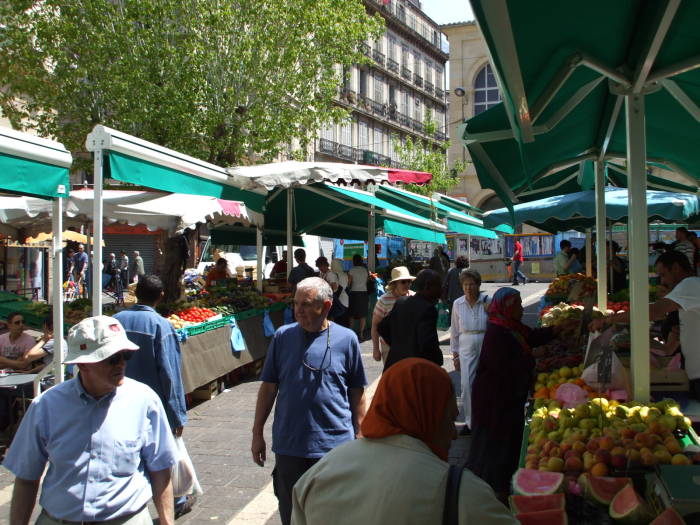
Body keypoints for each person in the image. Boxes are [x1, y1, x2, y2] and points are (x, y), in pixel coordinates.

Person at [291, 358, 517, 525]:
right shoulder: (459, 490)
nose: (454, 434)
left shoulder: (320, 474)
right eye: (449, 419)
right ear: (429, 416)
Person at [4, 315, 178, 525]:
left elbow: (160, 468)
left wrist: (167, 522)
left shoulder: (145, 400)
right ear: (84, 364)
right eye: (112, 358)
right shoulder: (46, 406)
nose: (121, 364)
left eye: (125, 356)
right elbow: (26, 477)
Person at [251, 277, 367, 525]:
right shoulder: (282, 337)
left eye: (305, 304)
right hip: (290, 445)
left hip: (334, 446)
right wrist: (257, 432)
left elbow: (356, 391)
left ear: (325, 306)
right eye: (296, 304)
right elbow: (269, 387)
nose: (298, 310)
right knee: (291, 513)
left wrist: (361, 433)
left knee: (333, 515)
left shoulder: (347, 339)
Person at [114, 275, 193, 518]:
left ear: (136, 292)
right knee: (162, 460)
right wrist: (178, 415)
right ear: (161, 296)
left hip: (117, 404)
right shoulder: (161, 326)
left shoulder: (115, 321)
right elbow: (170, 375)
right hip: (152, 409)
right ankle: (175, 503)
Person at [467, 287, 556, 500]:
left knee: (504, 443)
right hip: (495, 400)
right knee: (495, 445)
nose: (522, 308)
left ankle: (498, 485)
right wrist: (532, 357)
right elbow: (505, 366)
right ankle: (492, 490)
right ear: (507, 307)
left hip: (506, 397)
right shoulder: (498, 332)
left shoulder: (510, 326)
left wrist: (556, 331)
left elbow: (530, 336)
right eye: (517, 304)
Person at [591, 250, 700, 401]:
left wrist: (608, 320)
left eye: (663, 275)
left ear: (675, 268)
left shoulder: (690, 284)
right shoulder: (691, 287)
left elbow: (654, 311)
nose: (662, 281)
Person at [450, 269, 489, 435]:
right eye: (465, 285)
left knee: (488, 382)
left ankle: (487, 420)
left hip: (486, 343)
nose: (468, 288)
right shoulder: (457, 304)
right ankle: (470, 421)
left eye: (471, 284)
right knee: (467, 385)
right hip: (466, 345)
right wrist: (455, 354)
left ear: (478, 285)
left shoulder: (488, 301)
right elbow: (455, 332)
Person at [382, 269, 443, 371]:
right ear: (427, 286)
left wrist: (399, 347)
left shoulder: (401, 301)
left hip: (394, 367)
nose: (442, 289)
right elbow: (427, 344)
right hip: (414, 371)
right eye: (439, 285)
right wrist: (438, 360)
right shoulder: (428, 309)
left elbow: (383, 328)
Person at [370, 266, 415, 363]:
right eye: (403, 282)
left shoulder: (414, 297)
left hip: (411, 347)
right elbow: (375, 325)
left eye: (409, 281)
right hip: (389, 348)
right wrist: (376, 349)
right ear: (395, 284)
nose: (407, 284)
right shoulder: (383, 300)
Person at [315, 256, 346, 325]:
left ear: (325, 265)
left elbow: (334, 287)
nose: (320, 268)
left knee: (330, 318)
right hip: (327, 299)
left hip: (331, 299)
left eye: (320, 266)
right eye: (318, 267)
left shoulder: (331, 274)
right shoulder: (323, 274)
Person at [346, 254, 369, 338]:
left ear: (354, 261)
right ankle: (361, 334)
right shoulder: (365, 270)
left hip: (354, 293)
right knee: (363, 315)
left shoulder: (352, 270)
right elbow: (366, 281)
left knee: (352, 314)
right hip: (364, 293)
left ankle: (350, 334)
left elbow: (348, 283)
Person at [331, 258, 350, 327]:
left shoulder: (333, 274)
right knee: (345, 320)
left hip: (338, 299)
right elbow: (347, 285)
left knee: (338, 321)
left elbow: (334, 288)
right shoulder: (345, 274)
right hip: (346, 299)